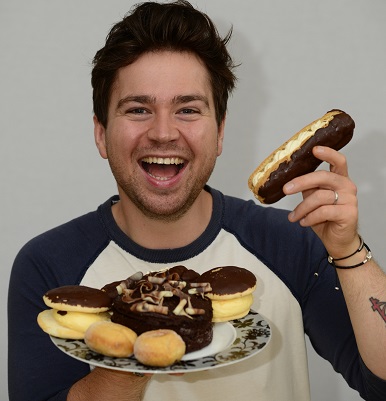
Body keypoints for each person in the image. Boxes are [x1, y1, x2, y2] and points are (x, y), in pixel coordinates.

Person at [7, 1, 386, 400]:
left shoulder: (290, 243)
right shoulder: (50, 266)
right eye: (138, 109)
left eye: (187, 109)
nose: (163, 133)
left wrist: (347, 251)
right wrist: (139, 337)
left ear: (220, 132)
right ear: (101, 133)